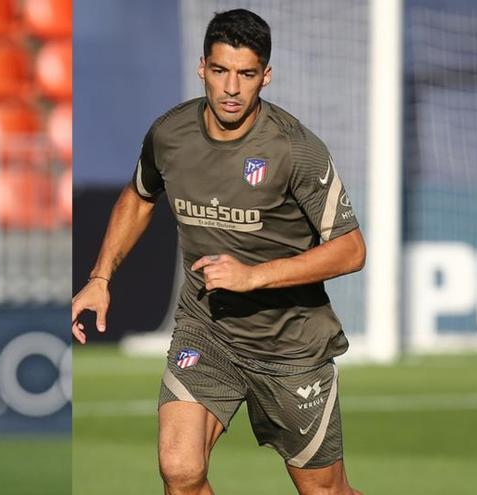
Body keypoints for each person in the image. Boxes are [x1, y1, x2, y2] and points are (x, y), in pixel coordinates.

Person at [72, 9, 366, 495]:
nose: (231, 87)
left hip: (290, 345)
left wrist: (255, 276)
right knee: (180, 471)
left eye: (246, 74)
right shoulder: (170, 134)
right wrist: (100, 278)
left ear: (265, 76)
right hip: (207, 330)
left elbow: (351, 250)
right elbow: (140, 196)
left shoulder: (295, 149)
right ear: (201, 67)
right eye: (220, 70)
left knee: (325, 491)